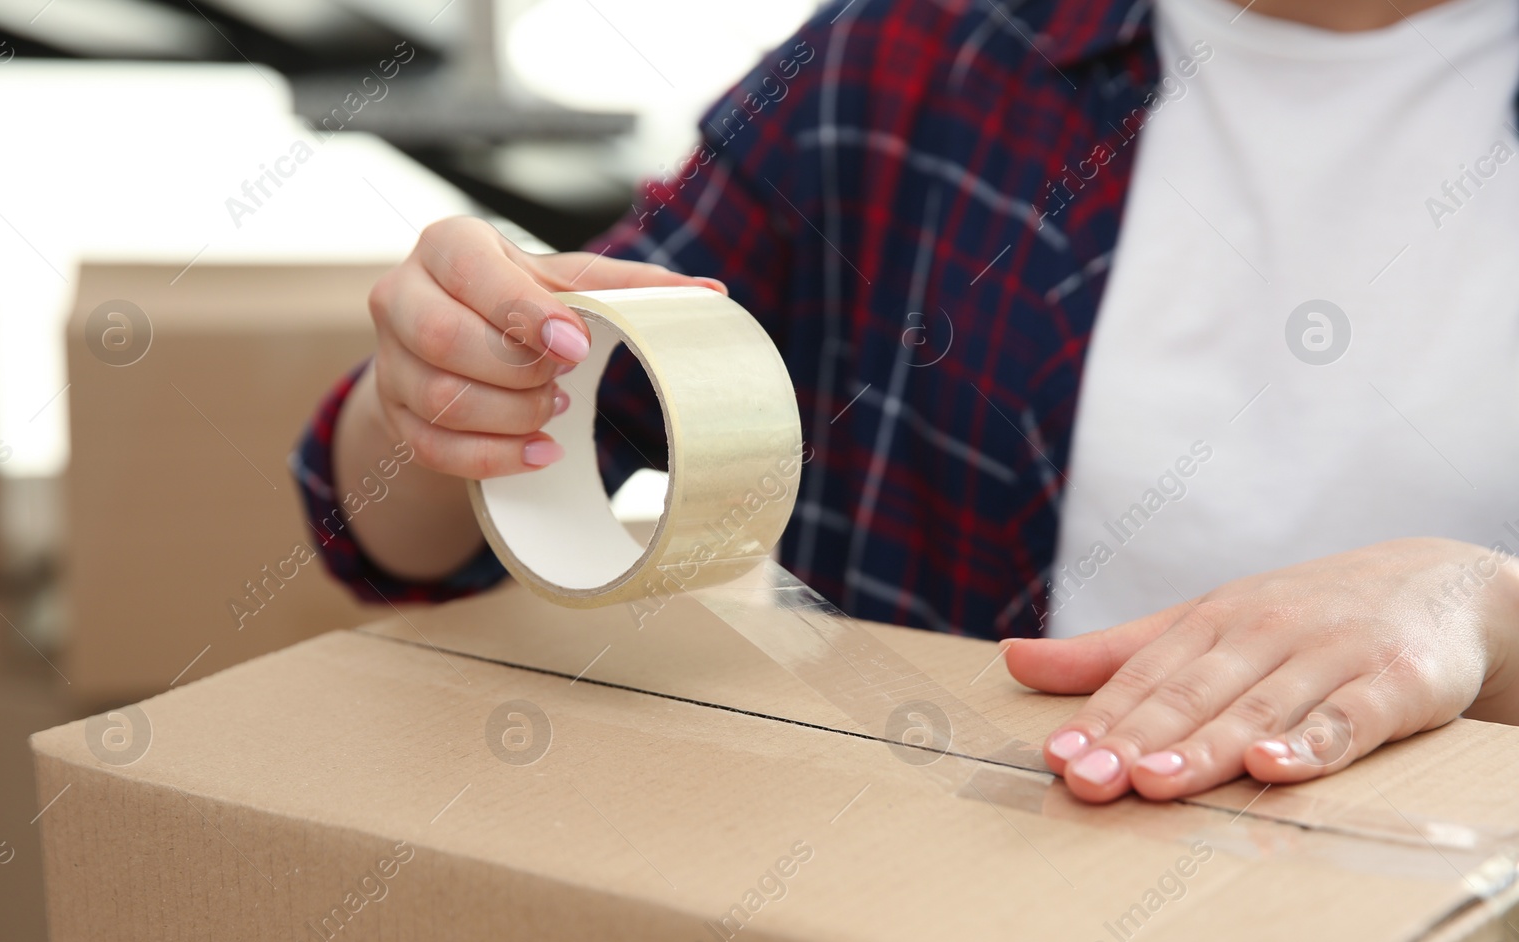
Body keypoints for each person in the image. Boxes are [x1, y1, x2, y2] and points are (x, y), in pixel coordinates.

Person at [296, 0, 1519, 805]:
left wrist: (1488, 611)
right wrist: (444, 386)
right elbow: (396, 535)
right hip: (917, 922)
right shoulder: (915, 52)